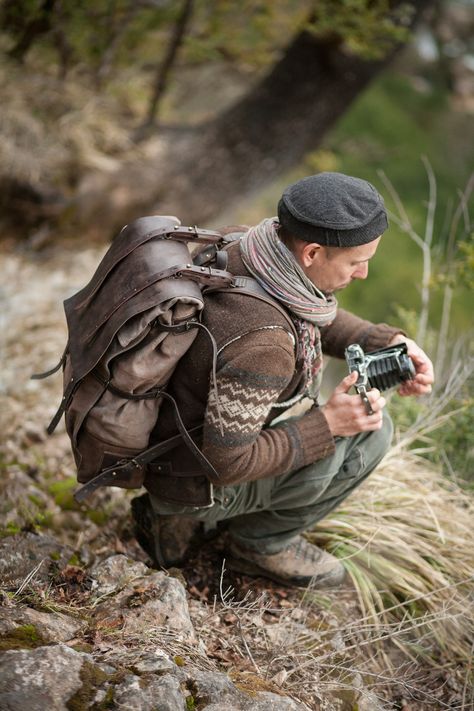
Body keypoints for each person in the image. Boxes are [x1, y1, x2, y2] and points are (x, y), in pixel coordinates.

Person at [131, 172, 434, 588]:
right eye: (356, 262)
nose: (362, 273)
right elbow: (226, 464)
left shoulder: (246, 245)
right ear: (312, 253)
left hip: (167, 440)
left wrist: (388, 340)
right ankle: (257, 543)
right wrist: (328, 425)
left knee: (351, 424)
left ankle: (172, 516)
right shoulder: (265, 346)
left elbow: (312, 314)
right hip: (194, 476)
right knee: (371, 434)